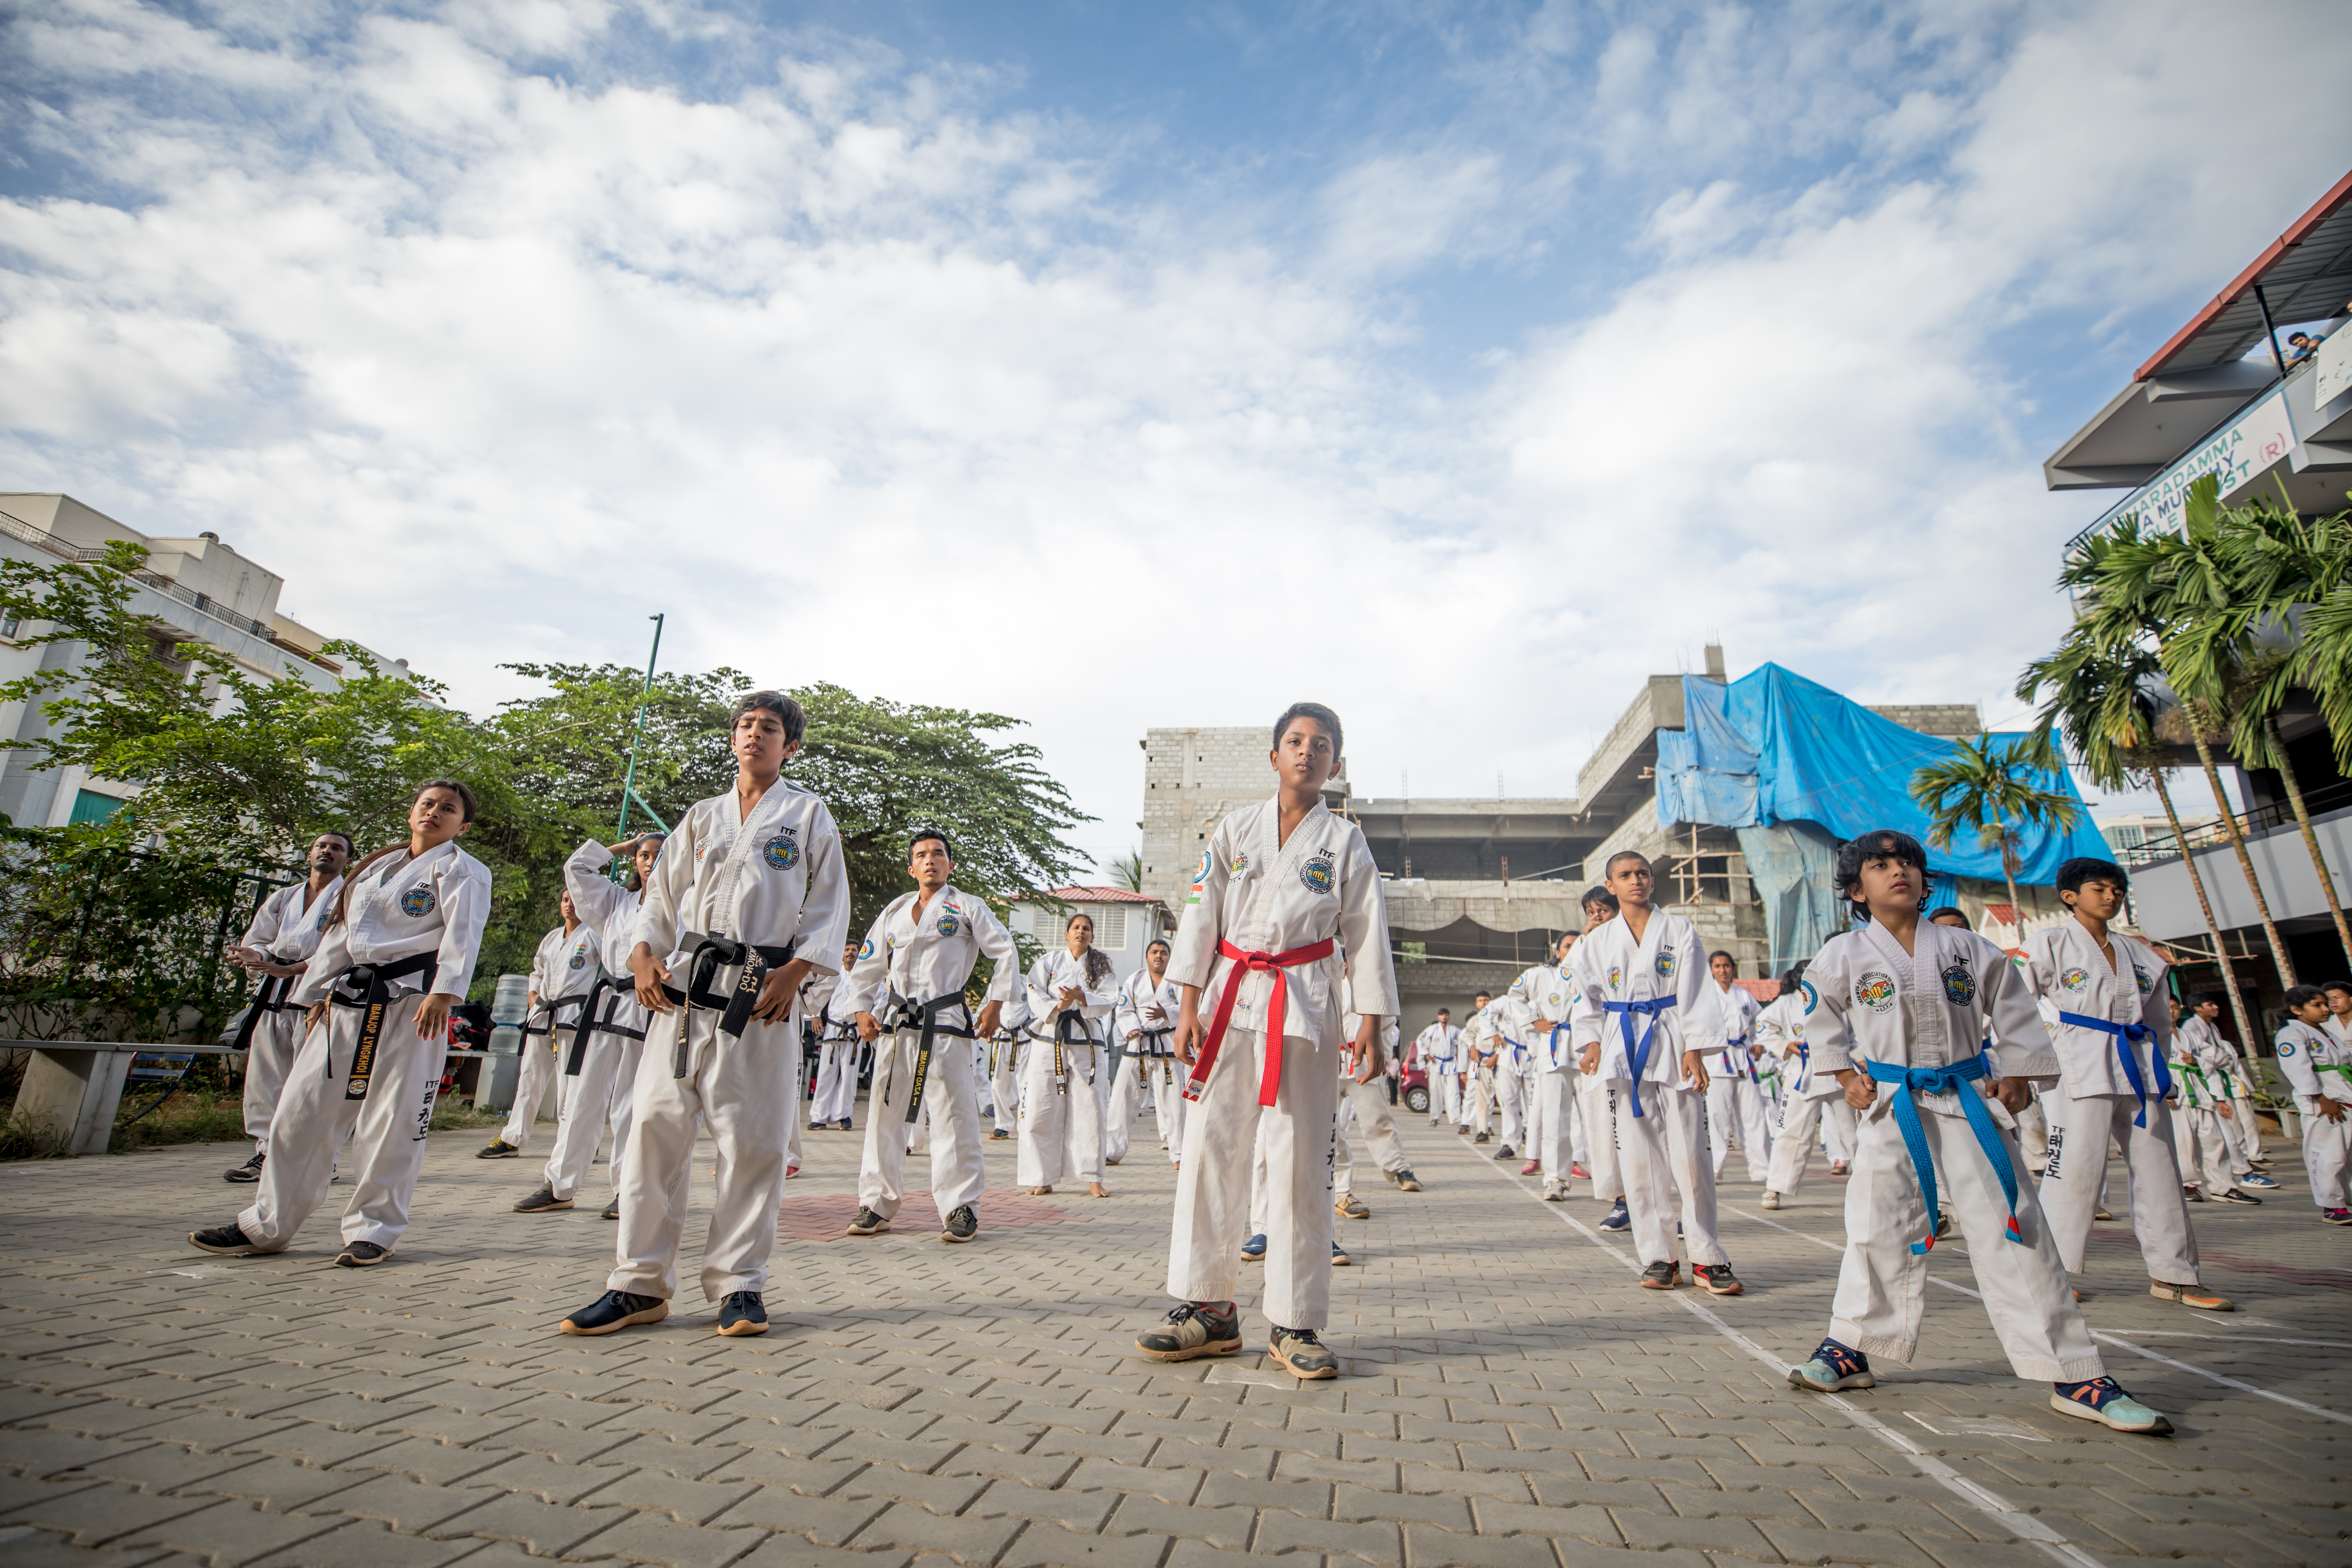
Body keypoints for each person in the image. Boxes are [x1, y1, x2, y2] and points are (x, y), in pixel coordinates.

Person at [1784, 830, 2171, 1435]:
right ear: (1857, 889)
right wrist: (1839, 1069)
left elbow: (2013, 1007)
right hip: (1893, 1103)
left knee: (2012, 1222)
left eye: (1908, 863)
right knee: (1876, 1224)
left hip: (1964, 1097)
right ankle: (1851, 1346)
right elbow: (1821, 1017)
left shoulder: (1967, 948)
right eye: (1881, 866)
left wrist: (2019, 1069)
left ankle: (2073, 1370)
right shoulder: (1842, 955)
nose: (1898, 873)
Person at [559, 691, 849, 1339]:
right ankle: (637, 1284)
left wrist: (799, 971)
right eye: (745, 726)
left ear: (791, 746)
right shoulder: (701, 816)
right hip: (686, 988)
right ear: (733, 739)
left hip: (763, 992)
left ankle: (739, 1283)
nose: (754, 735)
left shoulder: (806, 815)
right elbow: (660, 899)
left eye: (769, 729)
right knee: (654, 1132)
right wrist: (641, 955)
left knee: (754, 1143)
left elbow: (830, 905)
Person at [1133, 702, 1396, 1380]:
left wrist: (1372, 1018)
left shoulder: (1345, 842)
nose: (1307, 752)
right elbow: (1199, 915)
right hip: (1230, 997)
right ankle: (1209, 1306)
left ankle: (1295, 1317)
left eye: (1321, 745)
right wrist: (1186, 1002)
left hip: (1306, 999)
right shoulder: (1235, 828)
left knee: (1301, 1158)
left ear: (1334, 764)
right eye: (1295, 741)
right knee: (1211, 1148)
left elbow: (1367, 932)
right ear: (1274, 755)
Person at [190, 780, 492, 1267]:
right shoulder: (375, 867)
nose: (434, 813)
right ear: (413, 812)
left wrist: (445, 992)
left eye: (448, 809)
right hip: (348, 1000)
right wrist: (313, 993)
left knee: (393, 1121)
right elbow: (341, 933)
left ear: (464, 825)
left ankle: (375, 1229)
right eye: (427, 804)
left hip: (413, 1007)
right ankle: (268, 1224)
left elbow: (465, 932)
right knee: (300, 1112)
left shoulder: (463, 870)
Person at [2026, 858, 2231, 1313]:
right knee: (2073, 1172)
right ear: (2070, 896)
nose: (2111, 896)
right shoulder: (2051, 943)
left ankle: (2174, 1274)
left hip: (2138, 1066)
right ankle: (2052, 1273)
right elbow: (2018, 1007)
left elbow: (2159, 1022)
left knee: (2161, 1171)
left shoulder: (2143, 954)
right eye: (2099, 888)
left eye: (2117, 889)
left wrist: (2164, 1074)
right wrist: (2024, 1068)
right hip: (2078, 1062)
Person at [840, 828, 1017, 1242]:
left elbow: (1005, 951)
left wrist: (995, 1003)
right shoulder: (895, 912)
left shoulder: (967, 907)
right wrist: (862, 1008)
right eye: (922, 855)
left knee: (955, 1116)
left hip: (947, 1022)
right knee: (884, 1115)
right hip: (898, 1023)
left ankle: (961, 1207)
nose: (931, 860)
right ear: (912, 867)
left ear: (951, 865)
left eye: (938, 853)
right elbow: (867, 964)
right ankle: (876, 1204)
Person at [1570, 852, 1733, 1292]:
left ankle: (1706, 1256)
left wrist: (1696, 1049)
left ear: (1652, 881)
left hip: (1674, 1037)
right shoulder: (1597, 941)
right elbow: (1584, 997)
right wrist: (1590, 1042)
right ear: (1611, 884)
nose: (1636, 880)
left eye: (1642, 873)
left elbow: (1697, 991)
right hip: (1622, 1043)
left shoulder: (1678, 930)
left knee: (1692, 1155)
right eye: (1626, 875)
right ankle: (1659, 1257)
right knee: (1638, 1159)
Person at [508, 835, 663, 1218]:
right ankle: (560, 1184)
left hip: (651, 1005)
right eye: (644, 856)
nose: (650, 862)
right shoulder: (615, 902)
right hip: (606, 1003)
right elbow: (576, 870)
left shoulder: (682, 904)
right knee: (581, 1098)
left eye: (660, 856)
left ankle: (627, 1188)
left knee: (631, 1104)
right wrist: (619, 848)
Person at [222, 831, 354, 1184]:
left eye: (337, 849)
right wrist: (258, 955)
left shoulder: (349, 897)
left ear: (347, 860)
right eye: (322, 847)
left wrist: (297, 968)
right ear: (309, 854)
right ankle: (266, 1153)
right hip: (274, 990)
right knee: (267, 1076)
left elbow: (345, 947)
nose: (328, 852)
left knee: (314, 1080)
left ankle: (324, 1157)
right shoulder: (285, 896)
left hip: (319, 993)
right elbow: (260, 939)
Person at [482, 891, 602, 1162]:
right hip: (543, 1014)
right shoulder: (550, 939)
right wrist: (534, 996)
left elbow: (609, 971)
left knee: (570, 1083)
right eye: (564, 900)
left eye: (573, 900)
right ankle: (513, 1138)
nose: (568, 904)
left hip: (575, 1016)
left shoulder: (595, 935)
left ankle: (580, 1143)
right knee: (529, 1079)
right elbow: (537, 972)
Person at [1020, 912, 1116, 1197]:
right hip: (1051, 1035)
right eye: (1076, 927)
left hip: (1087, 1040)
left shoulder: (1101, 966)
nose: (1081, 932)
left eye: (1086, 929)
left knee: (1091, 1106)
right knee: (1042, 1105)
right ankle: (1042, 1176)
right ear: (1066, 934)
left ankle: (1094, 1178)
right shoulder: (1049, 962)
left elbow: (1110, 998)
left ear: (1092, 936)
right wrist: (1058, 1005)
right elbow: (1032, 989)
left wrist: (1081, 998)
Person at [1570, 887, 1633, 1231]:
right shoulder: (1584, 948)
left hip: (1646, 1039)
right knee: (1609, 1126)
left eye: (1602, 911)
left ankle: (1660, 1203)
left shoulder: (1640, 938)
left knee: (1653, 1128)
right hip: (1605, 1041)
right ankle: (1621, 1201)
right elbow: (1581, 999)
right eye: (1590, 913)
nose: (1596, 918)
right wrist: (1590, 1043)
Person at [1334, 965, 1419, 1213]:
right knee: (1327, 1124)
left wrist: (1382, 1056)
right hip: (1330, 1059)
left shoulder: (1374, 985)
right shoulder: (1328, 975)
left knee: (1378, 1119)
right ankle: (1335, 1183)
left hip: (1363, 1063)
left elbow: (1388, 1025)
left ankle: (1400, 1169)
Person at [1514, 932, 1588, 1200]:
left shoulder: (1593, 971)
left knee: (1596, 1120)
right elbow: (1515, 995)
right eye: (1567, 947)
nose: (1572, 950)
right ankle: (1555, 1181)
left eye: (1577, 945)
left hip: (1589, 1050)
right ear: (1558, 952)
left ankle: (1613, 1184)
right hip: (1556, 1050)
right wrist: (1535, 1022)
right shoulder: (1540, 976)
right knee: (1556, 1119)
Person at [2170, 997, 2263, 1206]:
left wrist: (2218, 1096)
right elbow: (2148, 1064)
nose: (2172, 1012)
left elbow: (2218, 1059)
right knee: (2183, 1143)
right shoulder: (2153, 1033)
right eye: (2167, 1008)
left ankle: (2225, 1187)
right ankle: (2187, 1185)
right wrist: (2164, 1091)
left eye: (2176, 1008)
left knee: (2215, 1141)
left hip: (2200, 1091)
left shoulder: (2188, 1036)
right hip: (2175, 1094)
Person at [2275, 986, 2352, 1225]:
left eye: (2325, 1004)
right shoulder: (2291, 1034)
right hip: (2324, 1101)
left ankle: (2345, 1199)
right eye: (2317, 1005)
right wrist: (2321, 1099)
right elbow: (2297, 1069)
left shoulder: (2323, 1032)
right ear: (2297, 1010)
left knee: (2347, 1155)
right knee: (2328, 1155)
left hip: (2343, 1096)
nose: (2325, 1009)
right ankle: (2332, 1207)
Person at [1119, 938, 1188, 1166]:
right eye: (1154, 952)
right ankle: (1113, 1150)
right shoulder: (1135, 979)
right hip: (1139, 1043)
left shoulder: (1179, 980)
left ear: (1170, 957)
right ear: (1147, 956)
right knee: (1124, 1097)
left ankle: (1179, 1153)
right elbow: (1124, 1008)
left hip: (1169, 1043)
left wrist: (1166, 1012)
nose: (1159, 956)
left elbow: (1190, 1007)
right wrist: (1132, 1028)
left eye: (1164, 952)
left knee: (1175, 1102)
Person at [1703, 952, 1771, 1184]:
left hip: (1743, 1059)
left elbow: (1760, 1021)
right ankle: (1714, 1170)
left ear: (1734, 968)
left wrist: (1759, 1042)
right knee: (1717, 1119)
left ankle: (1762, 1169)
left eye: (1727, 966)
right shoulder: (1706, 994)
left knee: (1754, 1116)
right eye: (1718, 966)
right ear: (1711, 969)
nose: (1723, 970)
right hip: (1716, 1060)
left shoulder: (1744, 996)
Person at [808, 941, 862, 1130]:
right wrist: (815, 1015)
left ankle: (844, 1116)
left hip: (854, 1032)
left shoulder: (864, 974)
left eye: (853, 950)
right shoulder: (833, 973)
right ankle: (819, 1117)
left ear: (858, 954)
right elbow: (818, 994)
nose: (850, 953)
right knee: (826, 1074)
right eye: (847, 950)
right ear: (842, 954)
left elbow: (879, 998)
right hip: (832, 1030)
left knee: (849, 1076)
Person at [1414, 1010, 1459, 1127]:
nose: (1444, 1017)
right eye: (1442, 1015)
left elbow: (1464, 1039)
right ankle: (1435, 1118)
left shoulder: (1454, 1030)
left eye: (1446, 1015)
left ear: (1449, 1016)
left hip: (1451, 1064)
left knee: (1454, 1093)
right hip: (1436, 1064)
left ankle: (1456, 1118)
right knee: (1436, 1092)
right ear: (1438, 1017)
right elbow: (1420, 1040)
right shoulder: (1433, 1029)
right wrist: (1427, 1055)